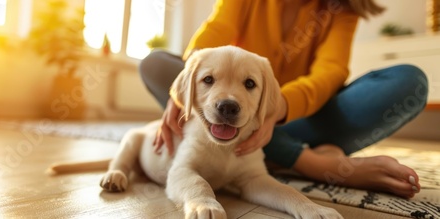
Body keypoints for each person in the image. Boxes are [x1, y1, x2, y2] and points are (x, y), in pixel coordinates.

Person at [139, 0, 428, 199]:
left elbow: (331, 72)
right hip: (236, 116)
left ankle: (278, 151)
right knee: (156, 64)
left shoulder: (343, 6)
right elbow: (215, 31)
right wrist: (182, 89)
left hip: (301, 120)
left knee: (408, 82)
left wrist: (275, 110)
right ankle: (310, 161)